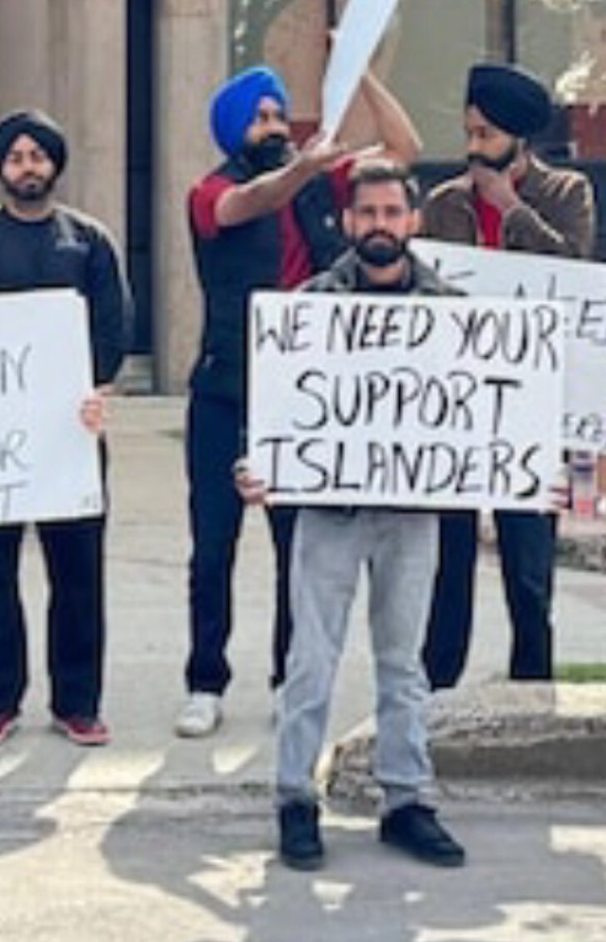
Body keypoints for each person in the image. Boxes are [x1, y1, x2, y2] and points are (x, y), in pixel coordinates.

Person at [176, 63, 420, 739]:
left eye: (280, 114)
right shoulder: (212, 191)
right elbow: (249, 203)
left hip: (304, 396)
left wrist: (361, 71)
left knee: (298, 546)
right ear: (234, 131)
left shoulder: (322, 184)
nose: (276, 127)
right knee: (213, 545)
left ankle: (289, 678)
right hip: (226, 389)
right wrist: (305, 167)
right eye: (261, 118)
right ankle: (205, 681)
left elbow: (404, 149)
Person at [236, 161, 466, 872]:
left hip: (412, 510)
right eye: (367, 213)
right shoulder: (309, 306)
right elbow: (275, 403)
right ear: (346, 221)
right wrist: (259, 462)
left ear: (413, 221)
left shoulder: (453, 311)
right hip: (329, 511)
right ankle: (295, 799)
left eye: (392, 213)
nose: (379, 226)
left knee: (404, 662)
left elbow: (477, 411)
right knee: (311, 658)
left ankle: (407, 801)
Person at [0, 110, 131, 747]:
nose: (28, 167)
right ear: (1, 168)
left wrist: (98, 388)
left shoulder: (89, 241)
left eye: (37, 155)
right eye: (16, 157)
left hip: (72, 435)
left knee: (78, 573)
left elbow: (112, 329)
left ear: (54, 164)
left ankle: (78, 703)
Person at [420, 62, 597, 689]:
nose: (474, 146)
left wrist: (511, 209)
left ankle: (532, 686)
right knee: (449, 560)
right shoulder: (443, 204)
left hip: (531, 406)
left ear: (517, 137)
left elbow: (573, 269)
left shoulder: (566, 192)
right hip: (460, 402)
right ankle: (438, 687)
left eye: (486, 134)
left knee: (528, 568)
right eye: (469, 132)